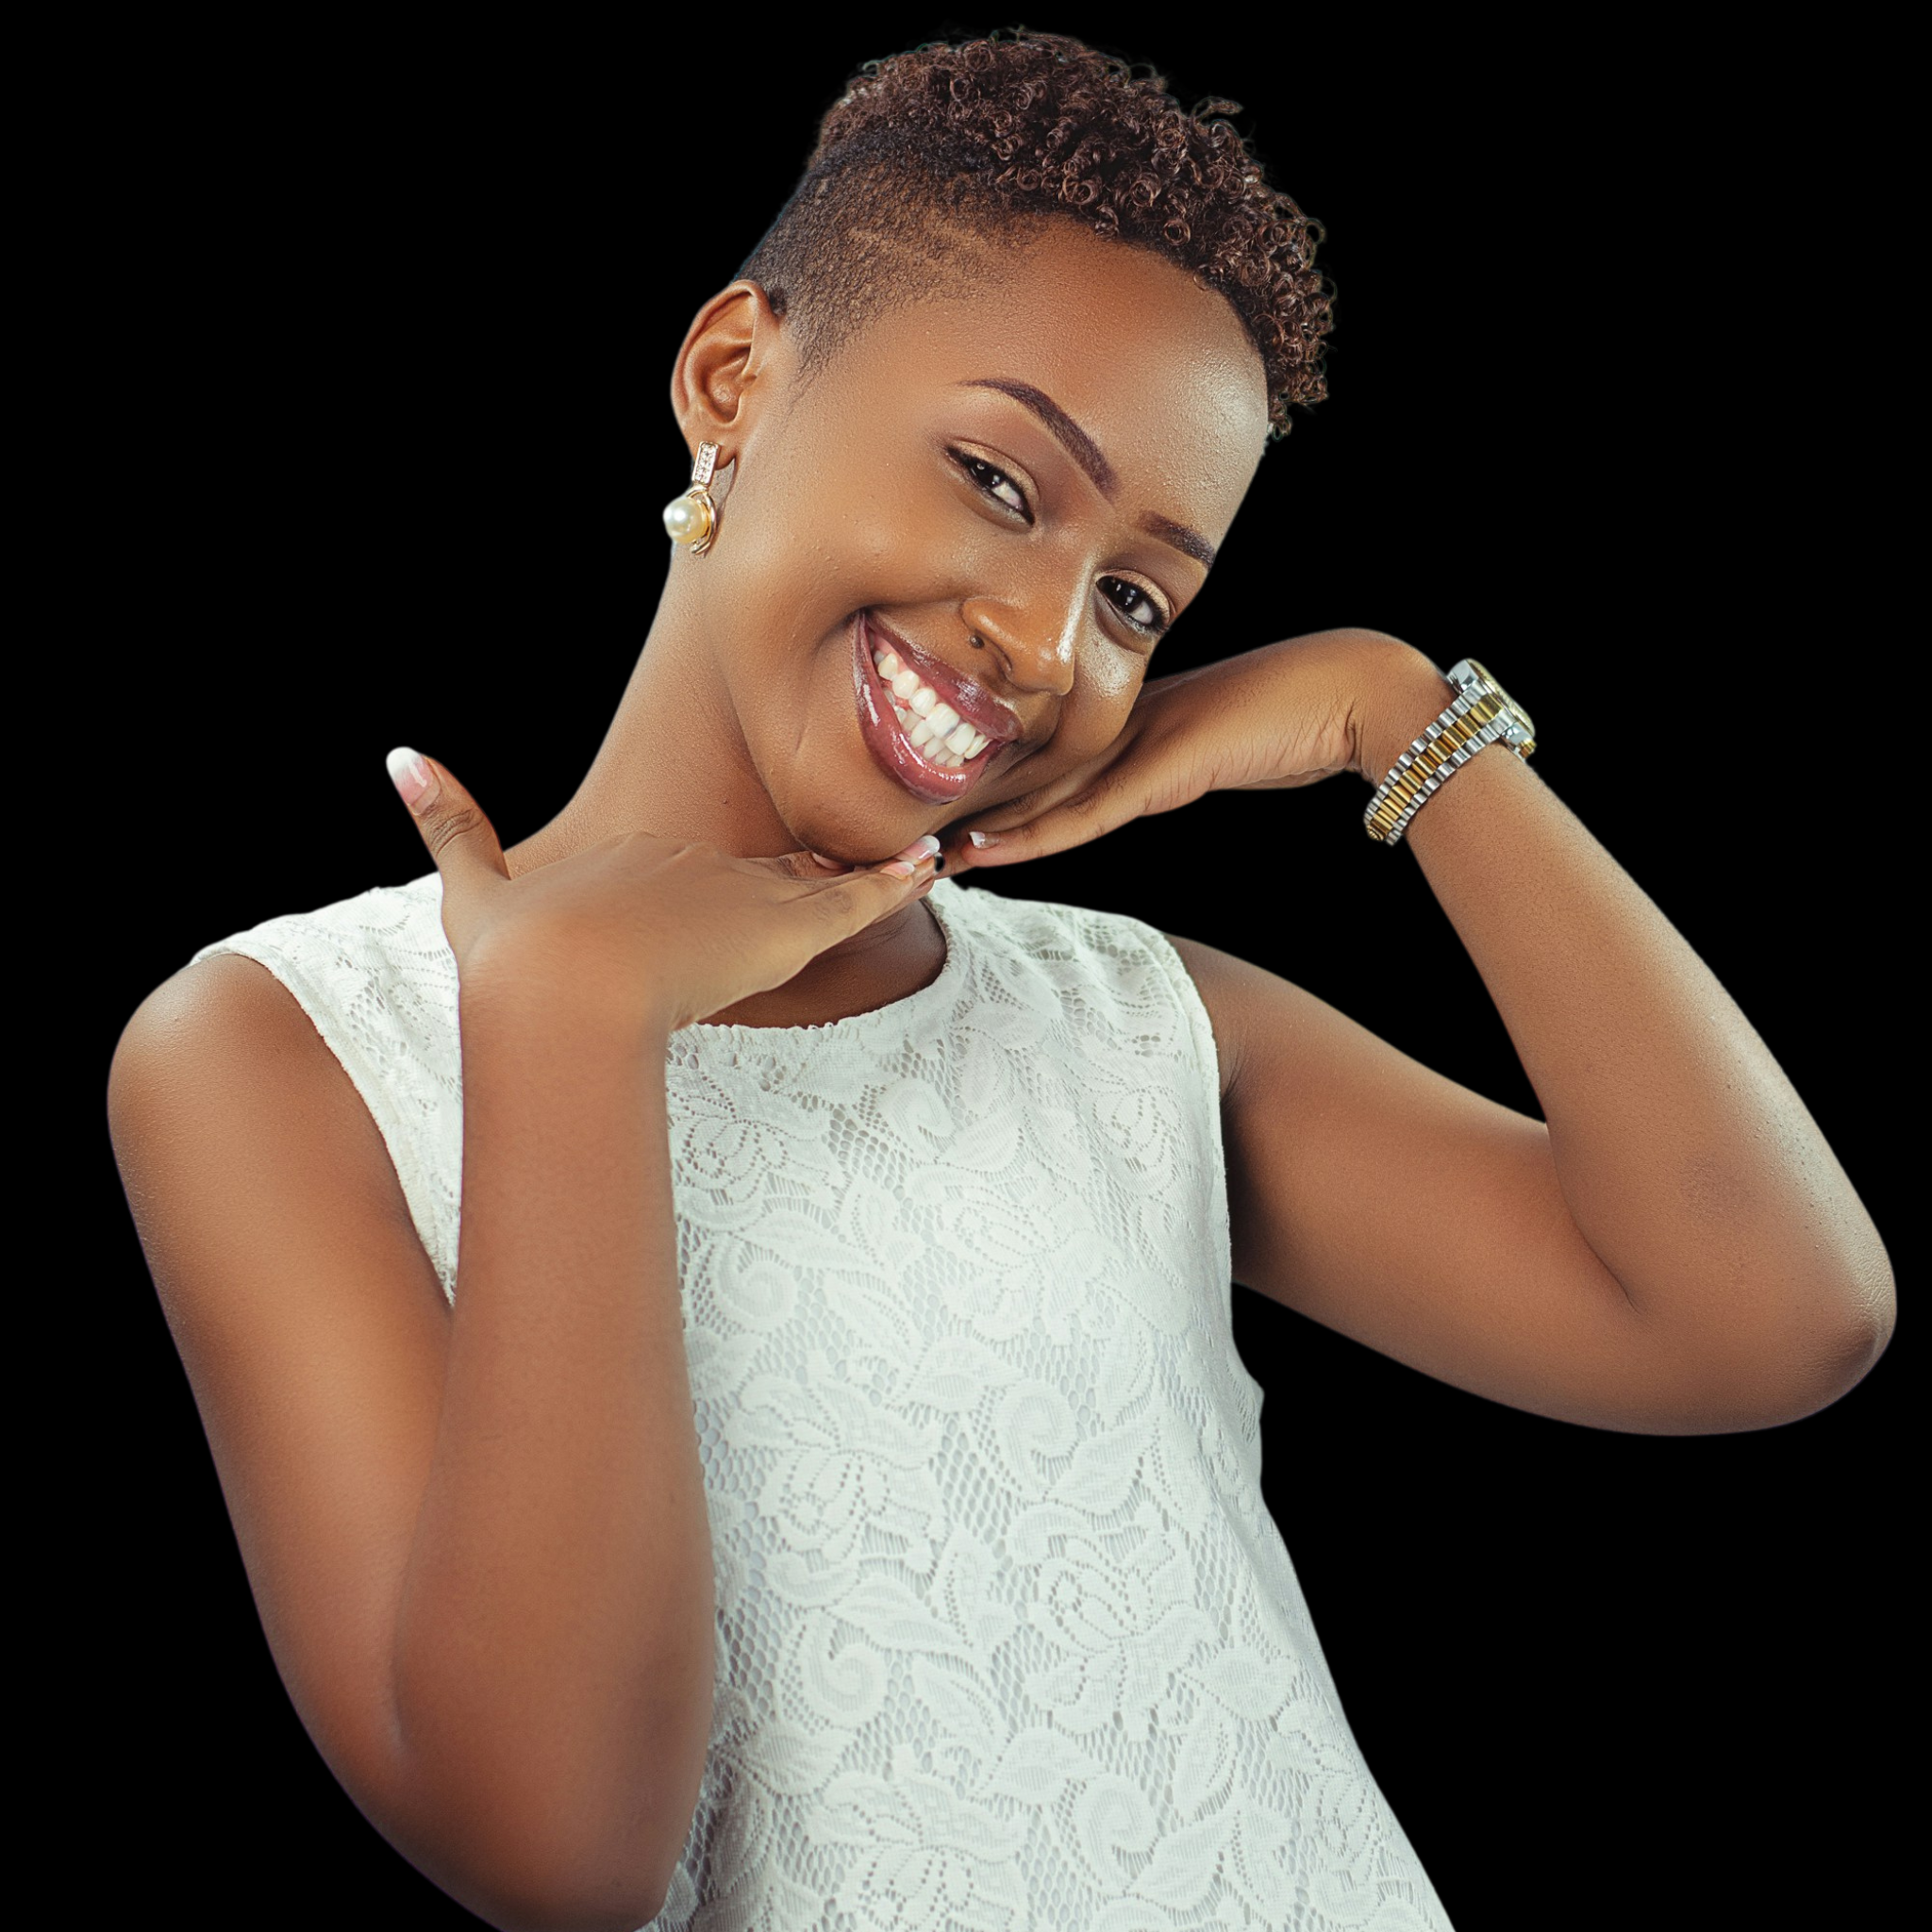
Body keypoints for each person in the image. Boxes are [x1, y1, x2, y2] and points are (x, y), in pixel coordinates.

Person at [104, 28, 1895, 1932]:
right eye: (998, 479)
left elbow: (1770, 1315)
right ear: (733, 379)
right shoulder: (279, 1049)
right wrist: (564, 1014)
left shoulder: (1119, 1023)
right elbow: (562, 1848)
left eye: (1139, 597)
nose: (1047, 645)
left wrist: (1401, 713)